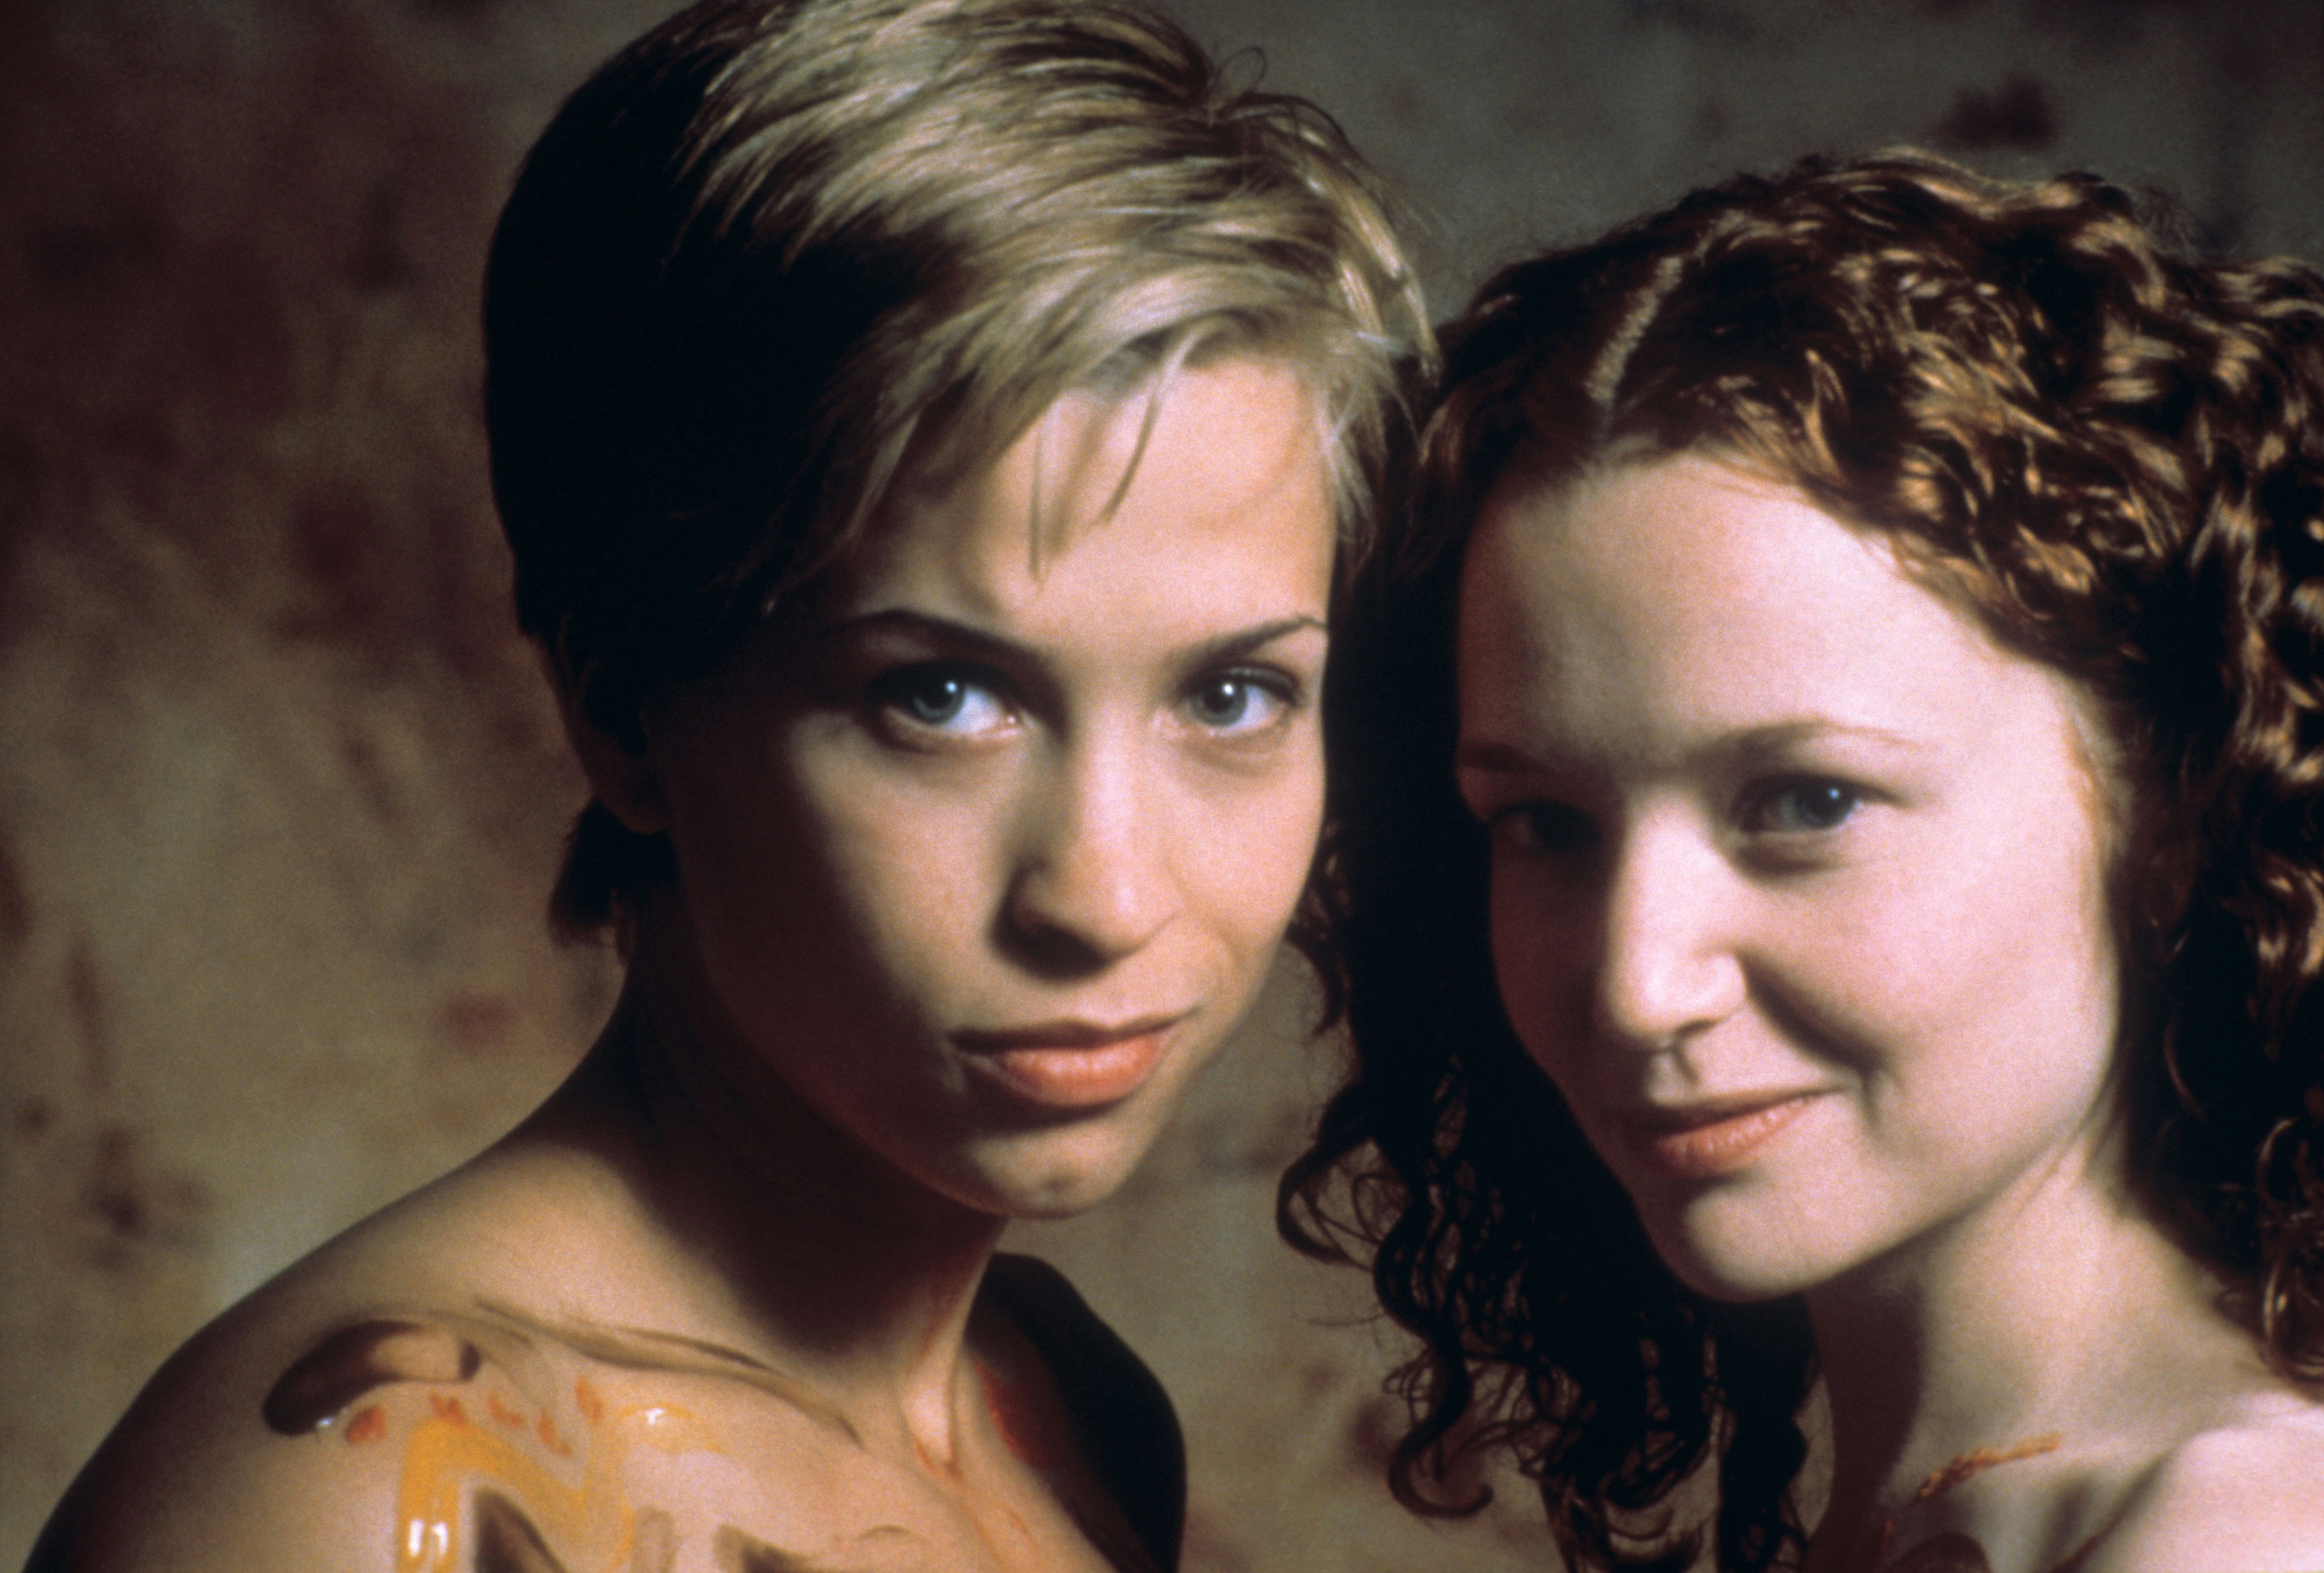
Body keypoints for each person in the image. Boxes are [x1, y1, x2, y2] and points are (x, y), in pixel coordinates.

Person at [27, 3, 1429, 1570]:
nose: (1107, 897)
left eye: (1232, 694)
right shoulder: (358, 1497)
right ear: (626, 713)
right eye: (942, 696)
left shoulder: (1064, 1408)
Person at [1284, 152, 2324, 1572]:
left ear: (2161, 797)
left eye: (1806, 800)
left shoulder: (2231, 1538)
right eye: (1545, 824)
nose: (1636, 987)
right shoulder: (1933, 1513)